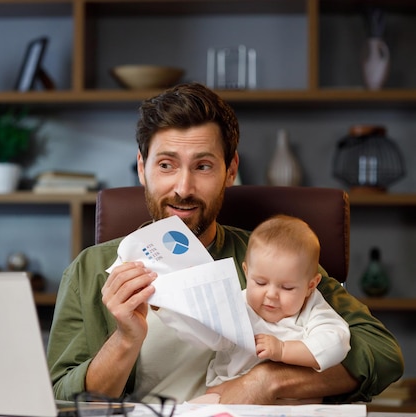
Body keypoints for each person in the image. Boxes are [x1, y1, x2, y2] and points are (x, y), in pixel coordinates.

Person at [46, 82, 404, 404]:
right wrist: (124, 339)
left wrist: (266, 382)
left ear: (230, 171)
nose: (183, 188)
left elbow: (382, 354)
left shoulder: (271, 259)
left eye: (202, 167)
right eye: (167, 165)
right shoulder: (90, 270)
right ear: (142, 168)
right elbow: (61, 396)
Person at [194, 215, 351, 403]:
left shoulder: (312, 308)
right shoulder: (238, 305)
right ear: (246, 272)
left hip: (293, 401)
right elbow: (211, 338)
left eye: (287, 288)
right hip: (226, 392)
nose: (271, 295)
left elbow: (337, 342)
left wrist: (284, 350)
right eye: (260, 282)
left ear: (311, 285)